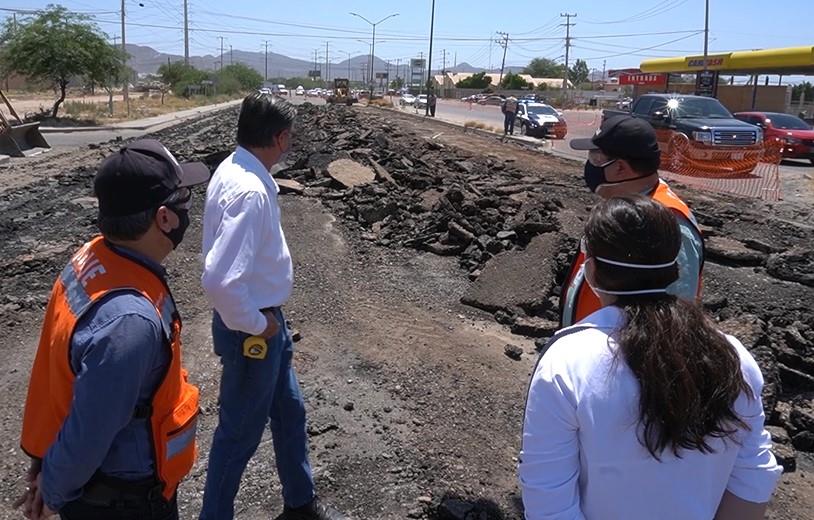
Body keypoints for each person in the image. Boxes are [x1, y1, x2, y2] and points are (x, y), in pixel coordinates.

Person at [520, 195, 782, 520]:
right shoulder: (733, 356)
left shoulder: (566, 362)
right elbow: (753, 476)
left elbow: (548, 498)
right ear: (674, 269)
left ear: (591, 272)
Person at [15, 139, 209, 520]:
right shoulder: (129, 322)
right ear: (165, 218)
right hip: (123, 500)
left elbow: (63, 371)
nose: (189, 208)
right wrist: (52, 493)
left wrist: (44, 462)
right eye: (183, 197)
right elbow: (92, 428)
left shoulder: (91, 256)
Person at [199, 92, 346, 520]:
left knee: (290, 413)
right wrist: (257, 325)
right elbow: (221, 281)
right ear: (281, 138)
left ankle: (300, 504)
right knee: (238, 436)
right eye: (292, 136)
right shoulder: (249, 191)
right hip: (253, 332)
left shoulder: (238, 168)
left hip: (267, 324)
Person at [561, 114, 704, 327]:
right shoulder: (624, 206)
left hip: (622, 354)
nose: (589, 166)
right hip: (598, 346)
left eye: (595, 157)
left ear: (619, 167)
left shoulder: (667, 223)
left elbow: (675, 318)